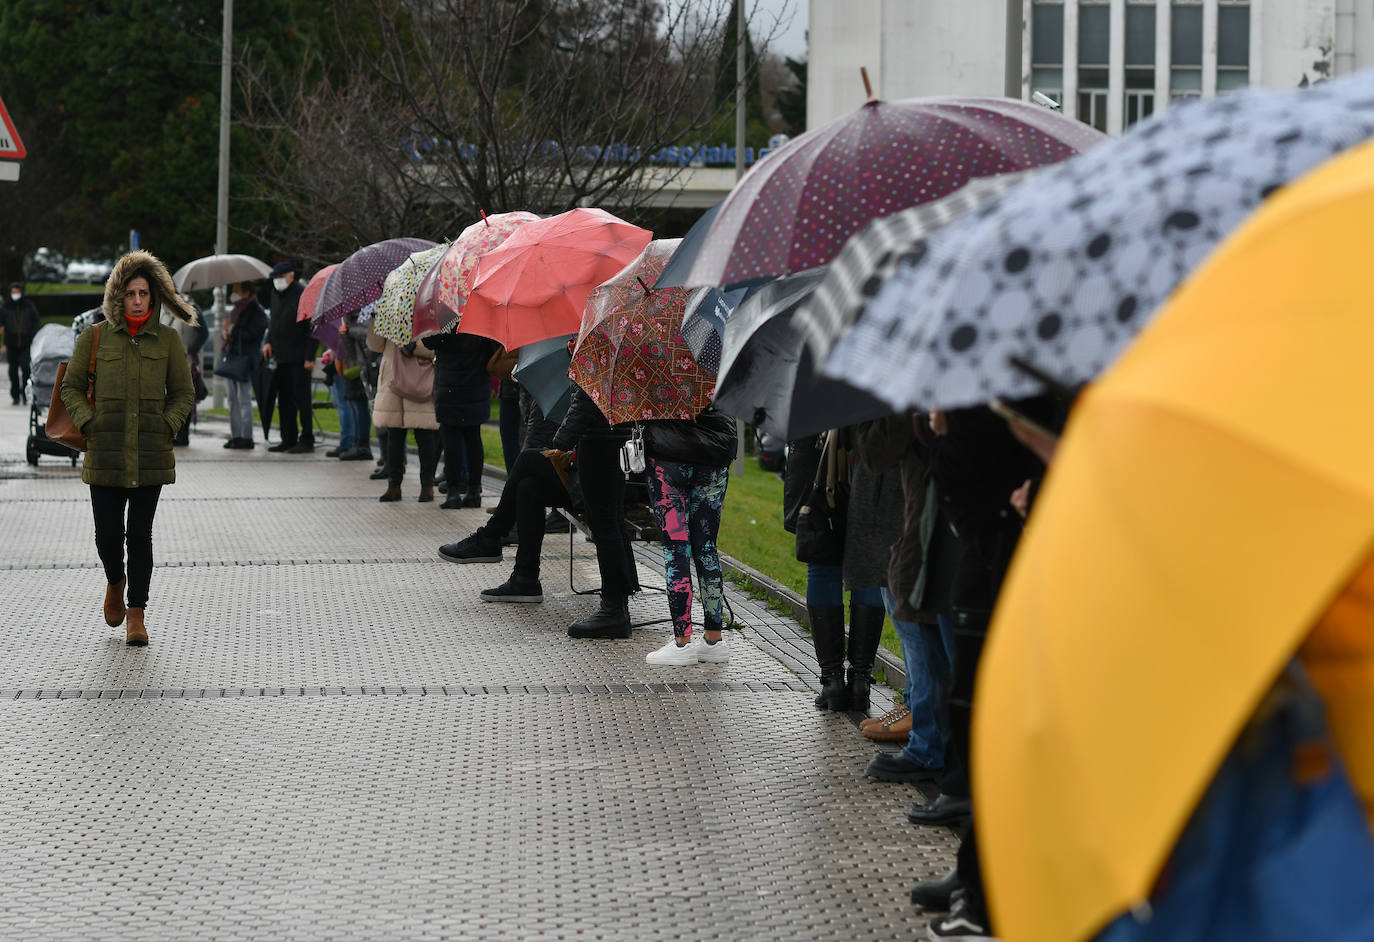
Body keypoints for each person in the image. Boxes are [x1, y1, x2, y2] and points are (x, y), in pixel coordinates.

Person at [60, 251, 195, 647]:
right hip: (105, 452)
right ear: (118, 297)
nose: (137, 300)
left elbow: (184, 393)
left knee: (140, 536)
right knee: (107, 536)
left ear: (153, 298)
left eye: (144, 293)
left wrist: (168, 425)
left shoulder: (168, 340)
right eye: (131, 293)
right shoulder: (95, 335)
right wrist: (90, 422)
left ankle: (137, 613)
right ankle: (115, 583)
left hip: (150, 453)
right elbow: (70, 387)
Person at [437, 384, 641, 636]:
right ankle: (524, 577)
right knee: (528, 486)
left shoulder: (602, 347)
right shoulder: (614, 349)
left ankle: (614, 612)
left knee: (601, 520)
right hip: (605, 451)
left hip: (607, 452)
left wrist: (561, 442)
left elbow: (588, 398)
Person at [639, 408, 737, 665]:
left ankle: (682, 642)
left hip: (668, 455)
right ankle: (714, 640)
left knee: (676, 550)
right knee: (706, 548)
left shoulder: (658, 367)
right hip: (715, 452)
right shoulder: (719, 366)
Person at [422, 330, 497, 508]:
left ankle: (453, 491)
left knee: (451, 441)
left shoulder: (445, 316)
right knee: (473, 437)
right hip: (476, 383)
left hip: (449, 385)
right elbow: (492, 347)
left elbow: (429, 342)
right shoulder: (480, 316)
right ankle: (474, 491)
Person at [367, 321, 439, 502]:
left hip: (419, 382)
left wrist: (415, 345)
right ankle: (394, 485)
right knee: (394, 437)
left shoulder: (428, 310)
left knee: (425, 438)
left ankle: (427, 486)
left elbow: (436, 348)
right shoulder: (388, 310)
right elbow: (375, 345)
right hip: (392, 383)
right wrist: (376, 320)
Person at [262, 261, 314, 452]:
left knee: (302, 399)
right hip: (280, 356)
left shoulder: (302, 294)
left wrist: (309, 356)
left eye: (280, 278)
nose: (277, 282)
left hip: (299, 357)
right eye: (275, 278)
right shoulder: (275, 294)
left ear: (290, 276)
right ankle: (288, 438)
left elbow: (311, 328)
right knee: (284, 400)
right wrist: (268, 341)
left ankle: (307, 439)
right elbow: (273, 321)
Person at [220, 281, 268, 449]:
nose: (233, 291)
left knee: (244, 399)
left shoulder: (256, 310)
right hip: (232, 358)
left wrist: (232, 329)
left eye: (236, 288)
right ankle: (236, 435)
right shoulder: (236, 309)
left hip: (245, 360)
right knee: (232, 399)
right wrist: (227, 334)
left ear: (245, 290)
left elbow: (254, 333)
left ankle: (246, 437)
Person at [3, 281, 42, 405]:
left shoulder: (28, 305)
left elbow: (36, 321)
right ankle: (15, 395)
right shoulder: (6, 306)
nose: (15, 294)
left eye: (17, 292)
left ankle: (25, 394)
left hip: (26, 342)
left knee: (26, 368)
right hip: (11, 343)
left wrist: (33, 335)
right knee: (12, 370)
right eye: (13, 292)